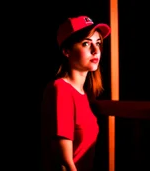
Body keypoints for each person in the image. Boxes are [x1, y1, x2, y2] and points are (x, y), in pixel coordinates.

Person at [41, 15, 111, 171]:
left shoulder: (82, 94)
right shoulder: (61, 89)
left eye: (98, 43)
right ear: (67, 51)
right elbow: (64, 163)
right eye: (86, 43)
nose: (95, 50)